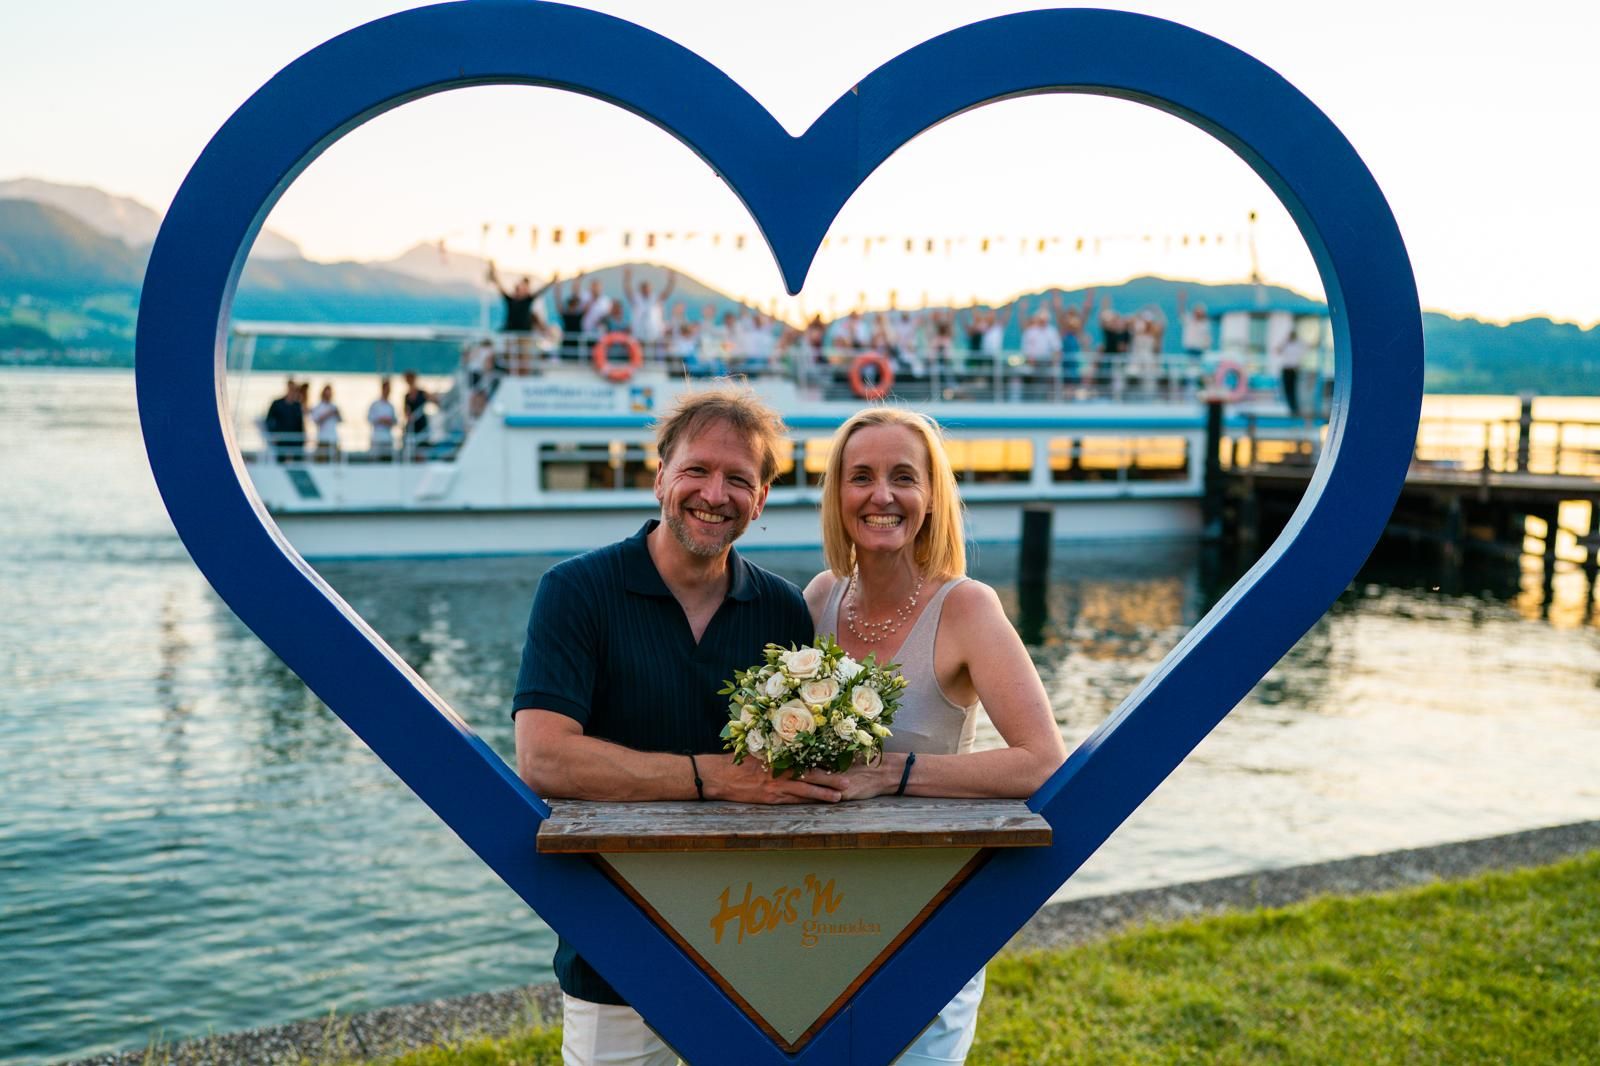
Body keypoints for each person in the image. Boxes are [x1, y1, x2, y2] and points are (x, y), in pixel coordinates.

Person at [512, 387, 831, 1066]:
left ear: (763, 498)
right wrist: (710, 778)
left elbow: (789, 777)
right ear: (660, 477)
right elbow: (544, 758)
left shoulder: (783, 611)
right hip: (613, 947)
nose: (715, 494)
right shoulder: (576, 592)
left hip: (755, 944)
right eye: (697, 470)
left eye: (739, 479)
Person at [800, 407, 1068, 1066]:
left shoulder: (968, 607)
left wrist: (888, 774)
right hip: (814, 909)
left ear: (931, 497)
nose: (881, 495)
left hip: (929, 913)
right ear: (837, 495)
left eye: (903, 477)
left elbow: (1040, 763)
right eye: (860, 476)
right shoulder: (820, 598)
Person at [490, 264, 558, 372]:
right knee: (511, 357)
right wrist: (494, 273)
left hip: (525, 334)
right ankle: (512, 374)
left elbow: (540, 291)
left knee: (524, 358)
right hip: (512, 334)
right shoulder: (511, 300)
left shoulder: (527, 300)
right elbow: (500, 287)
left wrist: (552, 281)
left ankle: (523, 375)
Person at [264, 378, 304, 463]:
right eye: (291, 388)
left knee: (297, 462)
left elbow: (300, 424)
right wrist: (273, 434)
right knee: (280, 460)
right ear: (287, 388)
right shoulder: (277, 403)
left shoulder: (297, 405)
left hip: (294, 439)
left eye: (294, 389)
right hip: (281, 438)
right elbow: (268, 420)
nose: (292, 391)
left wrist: (302, 439)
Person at [402, 370, 431, 459]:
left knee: (422, 446)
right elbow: (406, 411)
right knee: (412, 446)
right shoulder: (407, 396)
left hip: (421, 423)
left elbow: (433, 400)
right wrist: (410, 417)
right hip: (413, 424)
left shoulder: (422, 393)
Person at [309, 384, 341, 462]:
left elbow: (340, 420)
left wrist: (337, 413)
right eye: (327, 394)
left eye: (330, 394)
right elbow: (315, 420)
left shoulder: (334, 406)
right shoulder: (317, 407)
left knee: (335, 461)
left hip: (333, 438)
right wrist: (327, 414)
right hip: (323, 438)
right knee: (322, 461)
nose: (328, 396)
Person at [367, 377, 398, 460]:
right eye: (386, 389)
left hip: (388, 436)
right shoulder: (375, 404)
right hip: (377, 436)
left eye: (389, 389)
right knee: (375, 459)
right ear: (382, 389)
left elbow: (395, 421)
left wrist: (389, 421)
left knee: (388, 458)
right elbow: (369, 419)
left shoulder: (391, 406)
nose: (388, 391)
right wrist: (381, 420)